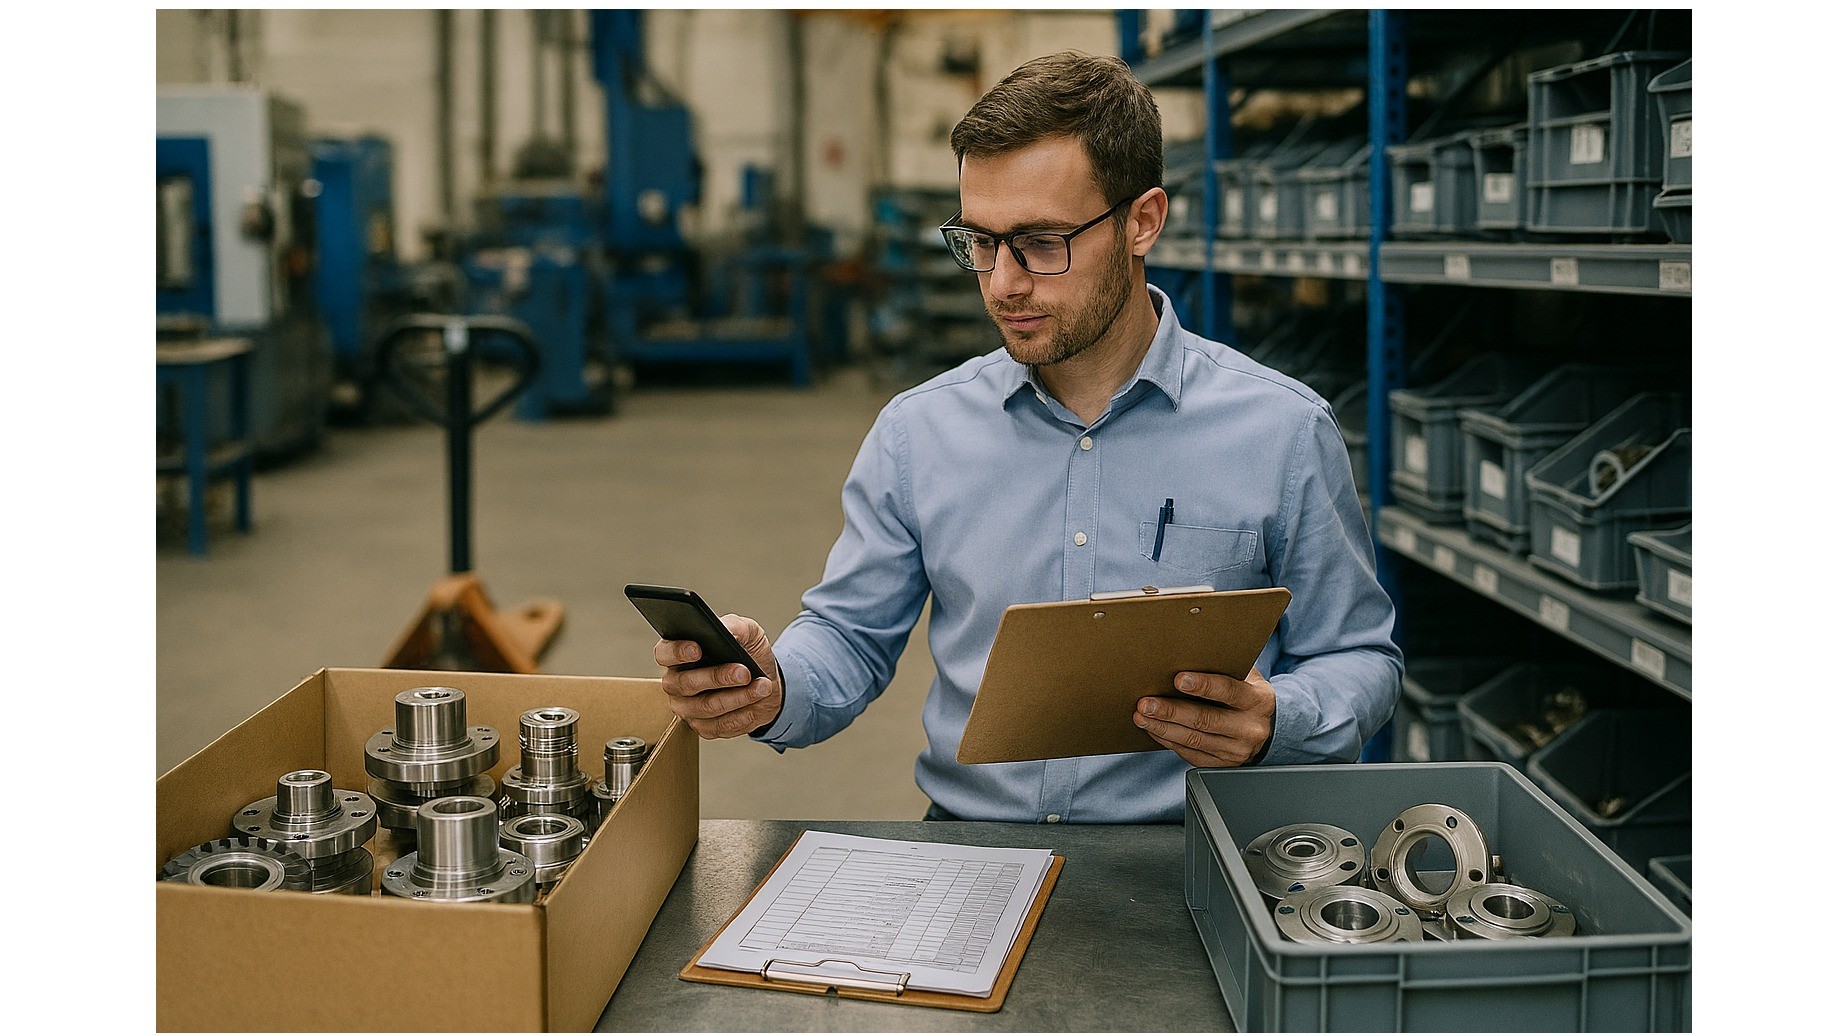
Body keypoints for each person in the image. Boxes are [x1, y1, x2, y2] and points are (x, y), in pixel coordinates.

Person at [651, 51, 1402, 823]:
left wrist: (1280, 718)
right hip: (973, 848)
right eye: (979, 242)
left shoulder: (1281, 431)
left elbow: (1359, 656)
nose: (1004, 283)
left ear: (1143, 221)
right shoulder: (920, 433)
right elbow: (848, 636)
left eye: (1043, 242)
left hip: (1193, 856)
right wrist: (771, 685)